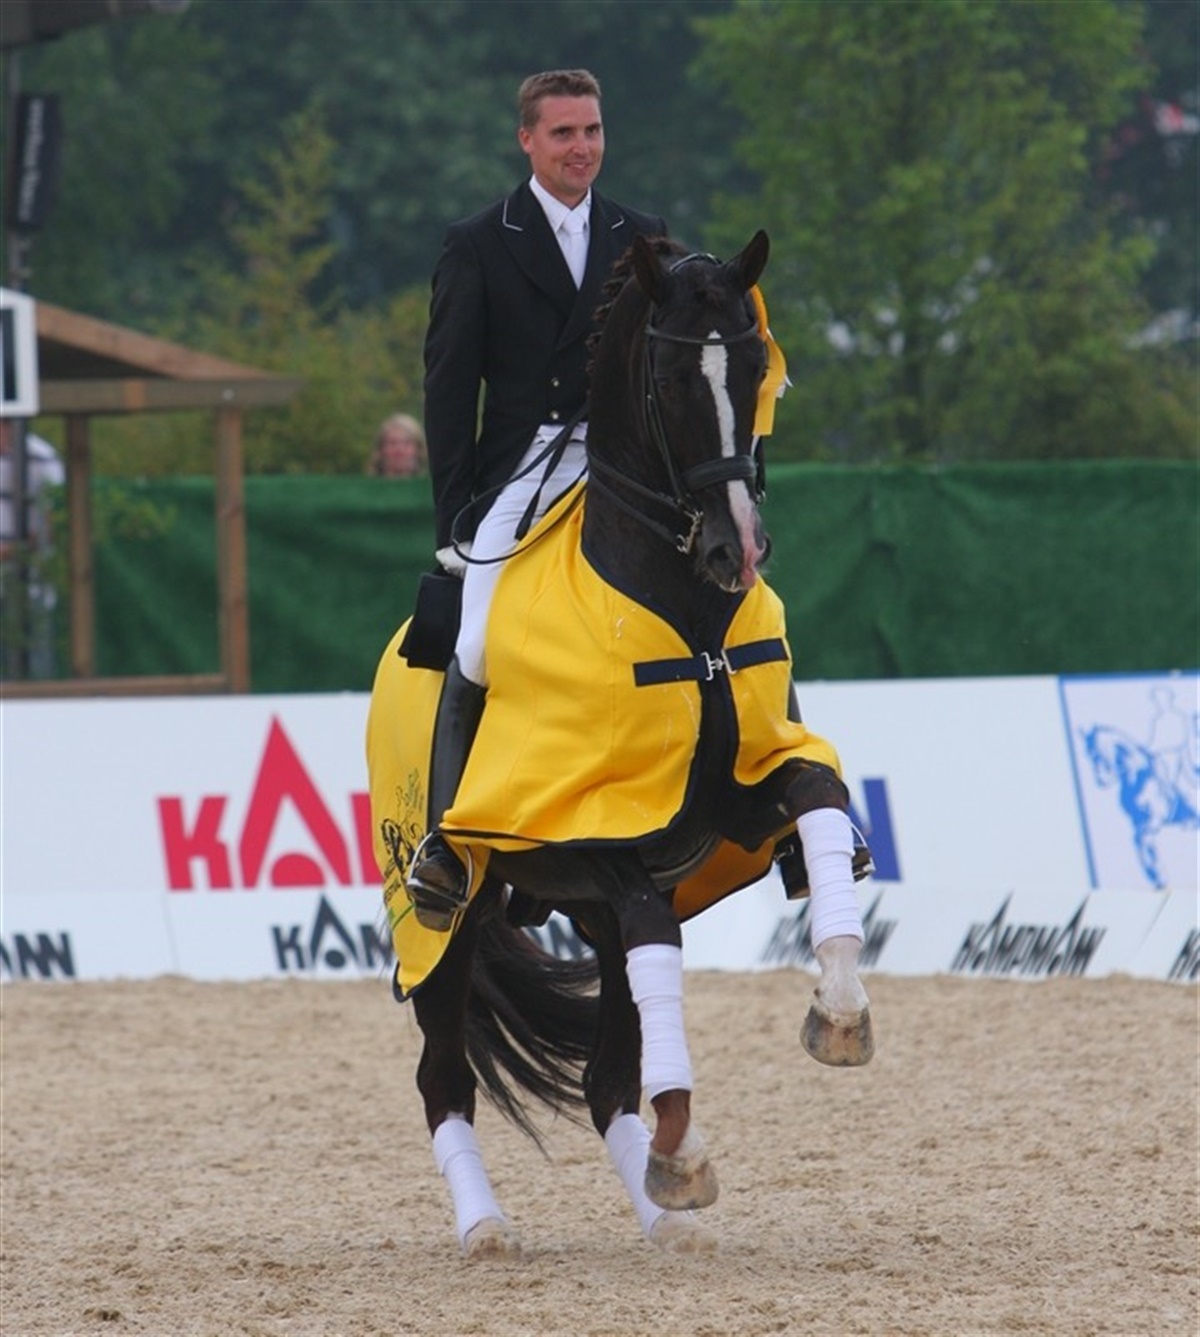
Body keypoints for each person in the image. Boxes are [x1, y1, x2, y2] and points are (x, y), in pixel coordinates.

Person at [408, 68, 668, 921]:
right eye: (563, 133)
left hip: (626, 462)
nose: (581, 148)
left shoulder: (643, 235)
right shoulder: (479, 243)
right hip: (526, 466)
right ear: (527, 140)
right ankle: (446, 843)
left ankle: (787, 826)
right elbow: (450, 390)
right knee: (479, 639)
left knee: (732, 589)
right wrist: (456, 518)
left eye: (592, 131)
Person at [0, 418, 65, 679]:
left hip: (31, 582)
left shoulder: (41, 457)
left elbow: (53, 520)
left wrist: (14, 551)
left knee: (37, 660)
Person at [368, 413, 427, 478]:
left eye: (407, 443)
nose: (399, 449)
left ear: (418, 449)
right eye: (392, 443)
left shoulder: (429, 483)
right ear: (381, 449)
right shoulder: (366, 483)